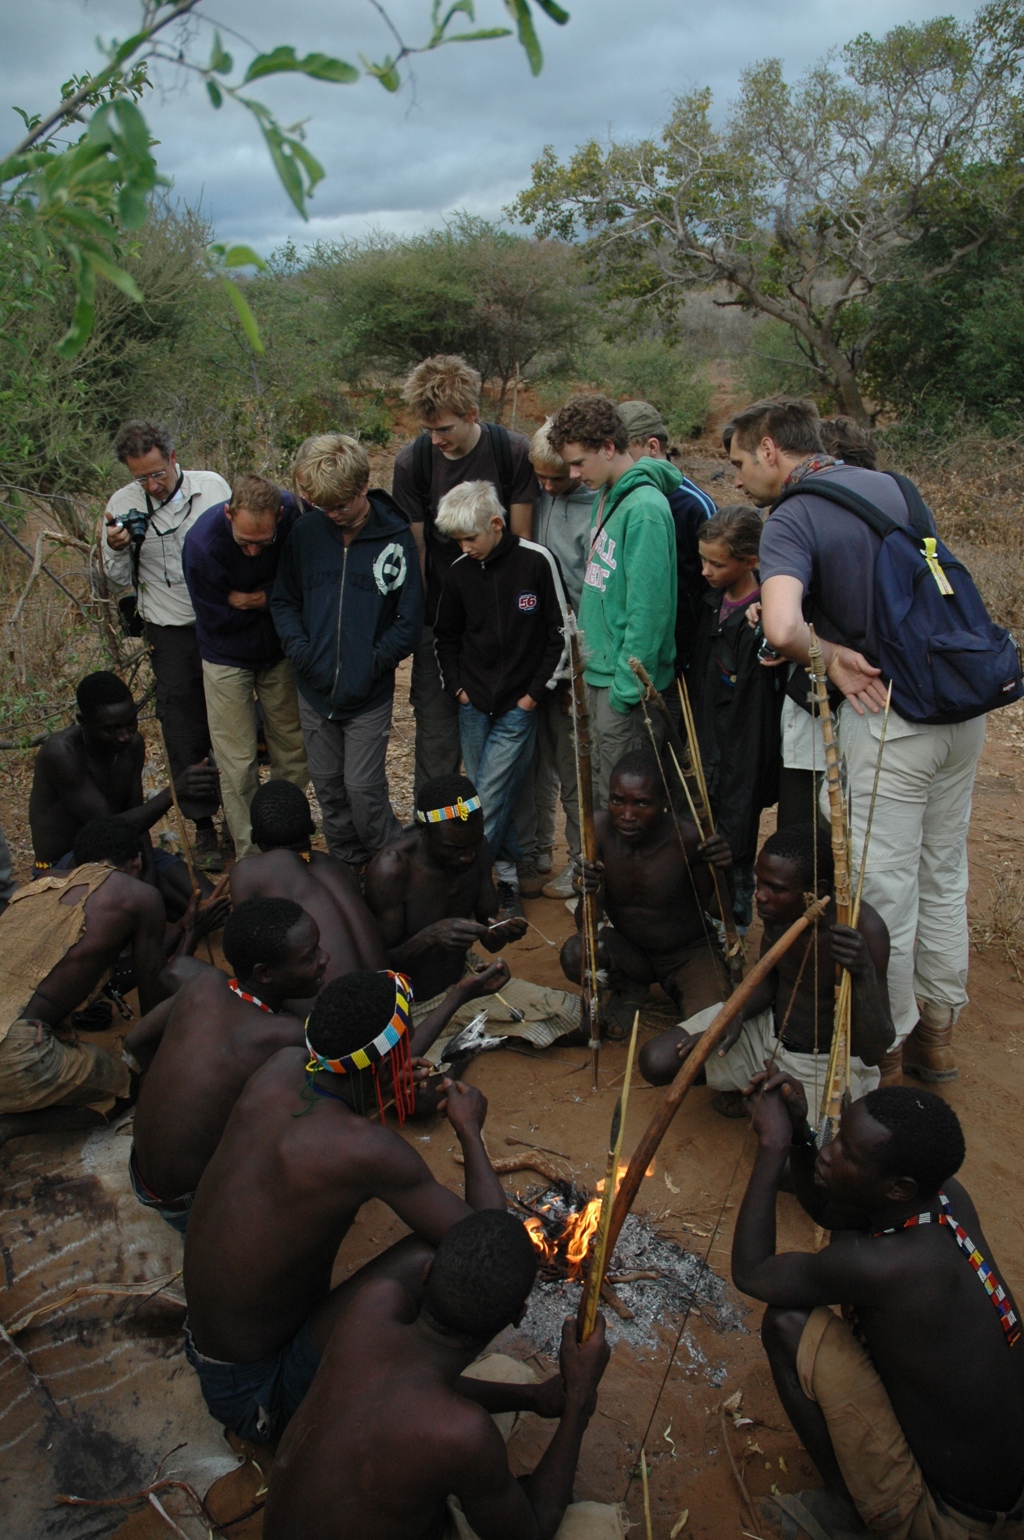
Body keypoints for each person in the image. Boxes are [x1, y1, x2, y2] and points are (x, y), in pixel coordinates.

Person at [729, 395, 984, 1083]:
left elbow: (782, 627)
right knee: (943, 871)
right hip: (958, 706)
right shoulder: (895, 488)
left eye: (739, 462)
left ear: (771, 451)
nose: (738, 479)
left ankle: (882, 1052)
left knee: (882, 889)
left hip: (889, 715)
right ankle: (938, 1033)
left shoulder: (793, 515)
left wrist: (828, 654)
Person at [181, 969, 509, 1443]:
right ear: (379, 1070)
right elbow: (491, 1241)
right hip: (258, 1395)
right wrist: (469, 1130)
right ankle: (423, 1396)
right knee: (439, 1259)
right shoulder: (365, 1151)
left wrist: (457, 994)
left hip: (214, 1347)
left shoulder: (285, 1067)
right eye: (401, 1057)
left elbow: (365, 1072)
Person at [733, 1077, 1024, 1539]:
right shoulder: (944, 1198)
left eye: (848, 1153)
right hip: (999, 1488)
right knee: (847, 1232)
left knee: (788, 1324)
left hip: (953, 1521)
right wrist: (804, 1132)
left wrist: (773, 1145)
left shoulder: (883, 1268)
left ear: (899, 1188)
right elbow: (833, 1212)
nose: (829, 1153)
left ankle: (846, 1512)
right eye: (837, 1138)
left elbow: (752, 1273)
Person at [263, 1210, 622, 1540]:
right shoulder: (464, 1435)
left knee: (509, 1373)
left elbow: (409, 1391)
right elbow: (532, 1532)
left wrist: (532, 1399)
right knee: (596, 1528)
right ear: (516, 1316)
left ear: (427, 1272)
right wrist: (577, 1400)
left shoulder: (373, 1305)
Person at [639, 823, 895, 1116]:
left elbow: (876, 1050)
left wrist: (862, 974)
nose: (759, 895)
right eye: (759, 882)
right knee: (657, 1060)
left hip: (821, 1064)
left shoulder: (864, 931)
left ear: (816, 891)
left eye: (775, 888)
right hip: (764, 1034)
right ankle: (751, 1086)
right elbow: (768, 979)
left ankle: (763, 1096)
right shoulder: (779, 910)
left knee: (809, 1152)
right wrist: (733, 1017)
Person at [125, 896, 327, 1232]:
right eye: (310, 957)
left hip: (139, 1169)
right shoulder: (287, 1036)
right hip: (190, 1209)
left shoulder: (204, 986)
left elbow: (135, 1042)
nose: (325, 959)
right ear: (264, 974)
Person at [271, 434, 423, 874]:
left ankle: (394, 866)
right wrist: (301, 652)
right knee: (329, 789)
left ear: (362, 489)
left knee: (362, 789)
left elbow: (408, 620)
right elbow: (284, 601)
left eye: (340, 505)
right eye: (323, 506)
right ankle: (348, 871)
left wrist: (375, 662)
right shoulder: (305, 533)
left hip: (368, 692)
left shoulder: (395, 537)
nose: (332, 514)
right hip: (313, 688)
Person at [391, 355, 539, 792]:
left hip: (503, 618)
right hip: (441, 620)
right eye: (427, 429)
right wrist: (421, 625)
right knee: (436, 734)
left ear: (471, 415)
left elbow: (523, 543)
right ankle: (435, 833)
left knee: (504, 734)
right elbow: (417, 549)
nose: (435, 439)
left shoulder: (510, 452)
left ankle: (503, 844)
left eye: (445, 429)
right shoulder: (412, 463)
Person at [0, 817, 192, 1144]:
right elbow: (154, 1008)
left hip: (10, 1027)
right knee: (132, 1086)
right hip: (14, 1053)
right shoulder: (140, 896)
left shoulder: (42, 882)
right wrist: (190, 933)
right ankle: (9, 1129)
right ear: (137, 862)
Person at [365, 774, 582, 1051]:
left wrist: (503, 929)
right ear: (422, 830)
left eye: (473, 844)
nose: (467, 857)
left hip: (467, 986)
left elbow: (490, 935)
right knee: (415, 1081)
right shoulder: (392, 870)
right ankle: (471, 1041)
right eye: (454, 848)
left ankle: (470, 1039)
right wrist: (430, 937)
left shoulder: (476, 847)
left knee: (582, 1022)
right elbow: (377, 967)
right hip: (412, 1008)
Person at [433, 481, 569, 915]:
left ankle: (457, 883)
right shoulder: (458, 573)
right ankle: (507, 877)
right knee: (494, 791)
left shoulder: (536, 561)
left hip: (519, 705)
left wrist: (533, 695)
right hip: (473, 705)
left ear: (496, 524)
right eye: (458, 540)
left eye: (471, 537)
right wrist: (458, 688)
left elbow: (560, 634)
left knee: (486, 797)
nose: (465, 546)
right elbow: (446, 638)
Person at [103, 420, 228, 869]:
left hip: (220, 619)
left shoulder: (211, 487)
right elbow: (116, 579)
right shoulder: (121, 505)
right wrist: (118, 547)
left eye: (158, 474)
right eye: (142, 477)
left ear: (174, 459)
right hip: (168, 626)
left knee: (230, 719)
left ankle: (238, 812)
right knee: (182, 726)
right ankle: (203, 827)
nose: (152, 485)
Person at [547, 396, 679, 807]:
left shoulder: (644, 509)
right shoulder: (607, 493)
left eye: (579, 461)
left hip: (624, 687)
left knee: (623, 804)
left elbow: (648, 612)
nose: (573, 473)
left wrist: (625, 691)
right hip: (599, 676)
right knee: (599, 792)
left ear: (608, 447)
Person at [182, 473, 308, 861]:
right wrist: (273, 600)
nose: (253, 552)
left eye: (262, 542)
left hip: (279, 648)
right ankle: (251, 855)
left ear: (279, 518)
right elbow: (217, 616)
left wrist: (257, 599)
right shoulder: (201, 545)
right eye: (244, 542)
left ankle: (287, 838)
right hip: (224, 654)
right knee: (237, 762)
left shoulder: (294, 517)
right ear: (228, 513)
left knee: (291, 747)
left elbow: (301, 587)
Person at [561, 751, 731, 1038]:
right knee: (577, 952)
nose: (627, 815)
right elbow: (586, 925)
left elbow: (718, 911)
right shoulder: (598, 829)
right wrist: (587, 890)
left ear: (665, 802)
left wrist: (723, 871)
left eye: (642, 803)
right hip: (631, 950)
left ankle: (685, 992)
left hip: (687, 954)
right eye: (617, 800)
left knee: (710, 1033)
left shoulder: (688, 838)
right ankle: (630, 985)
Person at [28, 671, 219, 916]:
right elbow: (107, 829)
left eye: (131, 723)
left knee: (210, 902)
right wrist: (174, 792)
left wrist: (148, 881)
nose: (125, 735)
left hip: (126, 855)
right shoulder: (61, 754)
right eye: (111, 729)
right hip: (61, 867)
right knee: (131, 904)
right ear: (82, 721)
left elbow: (136, 821)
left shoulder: (132, 746)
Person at [687, 505, 781, 930]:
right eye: (703, 559)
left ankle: (735, 923)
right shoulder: (711, 602)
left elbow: (754, 717)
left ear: (750, 561)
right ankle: (704, 918)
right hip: (706, 740)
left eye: (717, 563)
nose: (705, 570)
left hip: (743, 748)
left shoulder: (763, 619)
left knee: (734, 837)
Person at [514, 421, 594, 902]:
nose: (546, 487)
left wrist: (576, 664)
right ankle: (537, 850)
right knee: (537, 760)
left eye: (556, 479)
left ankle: (580, 861)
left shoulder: (596, 507)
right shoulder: (538, 499)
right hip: (536, 650)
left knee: (572, 764)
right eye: (539, 478)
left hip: (575, 656)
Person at [229, 779, 389, 986]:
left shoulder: (247, 873)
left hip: (334, 1016)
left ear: (253, 837)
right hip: (396, 1007)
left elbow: (246, 964)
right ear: (313, 827)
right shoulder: (338, 867)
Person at [618, 399, 717, 672]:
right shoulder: (618, 496)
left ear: (652, 446)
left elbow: (715, 584)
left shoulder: (694, 505)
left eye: (624, 451)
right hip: (633, 649)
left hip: (685, 649)